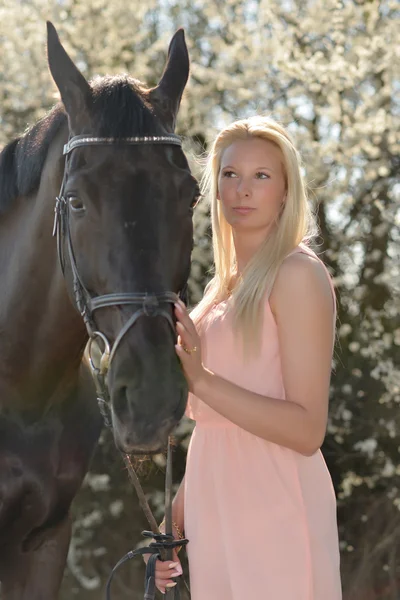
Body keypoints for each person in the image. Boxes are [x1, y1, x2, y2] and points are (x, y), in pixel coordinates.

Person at [155, 115, 342, 598]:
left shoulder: (297, 275)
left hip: (276, 501)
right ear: (214, 187)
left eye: (261, 176)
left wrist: (202, 379)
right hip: (215, 505)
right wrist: (174, 523)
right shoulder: (219, 291)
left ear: (285, 190)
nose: (242, 189)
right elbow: (219, 426)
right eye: (230, 174)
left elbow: (306, 430)